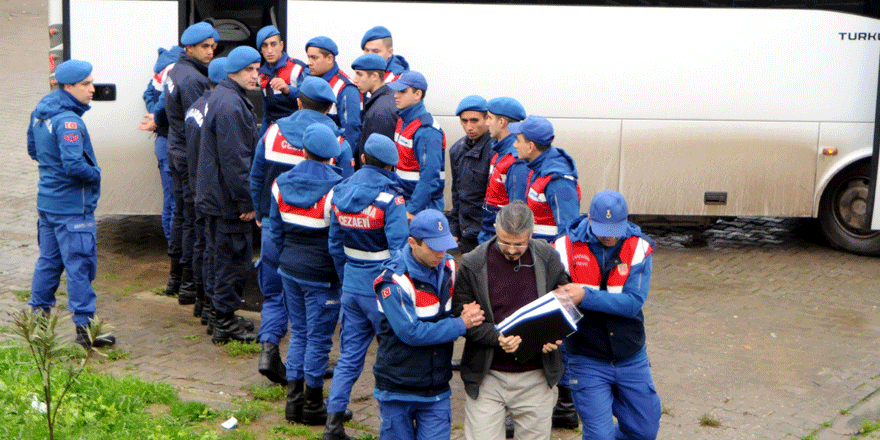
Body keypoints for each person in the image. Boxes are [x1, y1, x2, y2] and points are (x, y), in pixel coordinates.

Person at [250, 75, 352, 387]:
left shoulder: (273, 131)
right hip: (317, 239)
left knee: (275, 292)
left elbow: (256, 175)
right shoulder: (336, 143)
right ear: (328, 109)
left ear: (298, 101)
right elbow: (345, 193)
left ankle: (269, 348)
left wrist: (261, 212)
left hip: (274, 225)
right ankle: (309, 377)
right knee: (311, 313)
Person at [452, 201, 566, 440]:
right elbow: (460, 321)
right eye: (505, 242)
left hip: (536, 376)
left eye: (520, 244)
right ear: (495, 228)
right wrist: (497, 337)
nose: (512, 250)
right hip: (487, 377)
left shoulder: (547, 256)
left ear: (532, 234)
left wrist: (553, 335)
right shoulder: (473, 263)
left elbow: (564, 301)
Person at [555, 190, 662, 440]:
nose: (609, 237)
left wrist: (585, 296)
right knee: (599, 436)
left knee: (644, 432)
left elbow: (632, 303)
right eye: (603, 228)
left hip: (630, 356)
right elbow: (557, 301)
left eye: (615, 230)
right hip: (586, 357)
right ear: (590, 219)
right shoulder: (564, 248)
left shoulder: (639, 247)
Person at [323, 133, 409, 440]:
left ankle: (333, 426)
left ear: (361, 160)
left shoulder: (340, 192)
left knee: (348, 358)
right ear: (390, 165)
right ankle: (393, 426)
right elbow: (401, 251)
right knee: (390, 358)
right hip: (383, 292)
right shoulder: (391, 199)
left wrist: (347, 276)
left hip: (352, 287)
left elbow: (335, 245)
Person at [372, 209, 485, 440]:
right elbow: (411, 333)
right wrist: (461, 324)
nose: (441, 253)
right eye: (433, 247)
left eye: (445, 245)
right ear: (412, 243)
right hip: (397, 390)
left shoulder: (450, 266)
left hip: (436, 389)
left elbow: (458, 305)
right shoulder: (392, 281)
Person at [27, 60, 115, 349]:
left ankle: (37, 323)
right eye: (86, 84)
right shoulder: (69, 121)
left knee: (49, 263)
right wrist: (97, 174)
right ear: (68, 86)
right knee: (80, 265)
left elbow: (33, 150)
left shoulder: (41, 112)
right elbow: (75, 164)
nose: (93, 89)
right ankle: (85, 328)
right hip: (72, 208)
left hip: (48, 203)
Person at [268, 123, 344, 426]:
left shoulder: (280, 183)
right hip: (322, 277)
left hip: (289, 270)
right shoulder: (337, 189)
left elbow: (275, 232)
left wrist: (288, 258)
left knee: (298, 333)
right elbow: (336, 243)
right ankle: (313, 406)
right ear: (332, 156)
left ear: (303, 151)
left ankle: (293, 403)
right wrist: (340, 275)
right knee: (319, 341)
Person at [196, 46, 261, 344]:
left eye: (257, 69)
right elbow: (237, 160)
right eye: (249, 69)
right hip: (227, 200)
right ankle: (224, 321)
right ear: (233, 70)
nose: (255, 75)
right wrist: (247, 201)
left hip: (215, 194)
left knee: (216, 255)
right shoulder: (232, 104)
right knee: (231, 259)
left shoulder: (223, 96)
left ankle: (217, 314)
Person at [163, 22, 218, 305]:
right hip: (188, 154)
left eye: (213, 46)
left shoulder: (175, 70)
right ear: (189, 48)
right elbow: (199, 125)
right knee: (192, 221)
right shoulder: (195, 80)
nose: (210, 52)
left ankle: (176, 278)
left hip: (175, 149)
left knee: (180, 216)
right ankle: (187, 283)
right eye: (204, 47)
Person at [183, 57, 227, 326]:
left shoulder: (196, 107)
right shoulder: (215, 109)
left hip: (196, 184)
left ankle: (201, 301)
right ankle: (209, 304)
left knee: (202, 242)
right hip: (209, 188)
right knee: (211, 247)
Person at [139, 45, 183, 251]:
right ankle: (175, 247)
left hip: (162, 140)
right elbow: (168, 104)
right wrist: (159, 118)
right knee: (176, 200)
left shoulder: (158, 74)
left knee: (170, 197)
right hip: (170, 140)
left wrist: (155, 116)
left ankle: (172, 245)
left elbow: (148, 93)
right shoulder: (175, 73)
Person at [510, 115, 580, 243]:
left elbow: (568, 233)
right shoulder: (538, 167)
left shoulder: (558, 181)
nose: (514, 145)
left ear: (531, 147)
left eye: (518, 140)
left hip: (548, 256)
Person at [387, 71, 446, 219]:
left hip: (422, 207)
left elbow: (429, 177)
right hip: (406, 200)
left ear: (418, 94)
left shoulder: (426, 130)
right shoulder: (402, 120)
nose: (396, 95)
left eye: (402, 91)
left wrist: (412, 210)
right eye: (396, 90)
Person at [477, 97, 528, 244]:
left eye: (489, 118)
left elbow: (518, 210)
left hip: (501, 238)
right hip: (490, 232)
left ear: (501, 122)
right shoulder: (499, 152)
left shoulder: (514, 159)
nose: (486, 123)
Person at [449, 95, 492, 254]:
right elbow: (456, 193)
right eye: (464, 121)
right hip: (467, 233)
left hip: (488, 233)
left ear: (487, 119)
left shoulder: (495, 150)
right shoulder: (457, 149)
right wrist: (454, 228)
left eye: (474, 120)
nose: (469, 127)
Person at [305, 36, 362, 149]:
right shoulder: (309, 82)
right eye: (308, 57)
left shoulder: (345, 88)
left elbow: (351, 133)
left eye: (314, 58)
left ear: (330, 58)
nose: (309, 63)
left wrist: (340, 160)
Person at [256, 25, 309, 136]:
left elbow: (310, 101)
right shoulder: (261, 74)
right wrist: (261, 139)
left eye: (273, 44)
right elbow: (267, 113)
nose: (269, 50)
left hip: (296, 130)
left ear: (281, 45)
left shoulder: (298, 68)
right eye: (265, 46)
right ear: (261, 50)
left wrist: (288, 90)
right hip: (274, 130)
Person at [350, 53, 397, 168]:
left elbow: (379, 158)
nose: (355, 80)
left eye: (359, 74)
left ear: (375, 76)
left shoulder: (380, 111)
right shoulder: (385, 99)